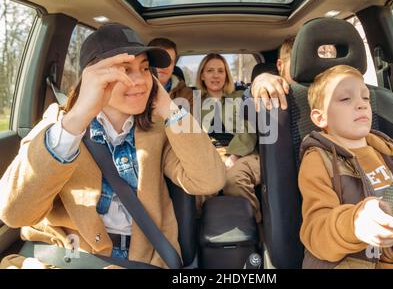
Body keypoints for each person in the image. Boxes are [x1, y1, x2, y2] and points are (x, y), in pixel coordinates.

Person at [0, 23, 225, 269]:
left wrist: (168, 107)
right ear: (93, 76)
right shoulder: (59, 125)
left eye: (145, 68)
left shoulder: (161, 129)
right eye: (125, 69)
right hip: (69, 258)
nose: (140, 80)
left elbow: (210, 180)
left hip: (144, 258)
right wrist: (77, 120)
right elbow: (13, 213)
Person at [298, 65, 393, 269]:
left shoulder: (391, 150)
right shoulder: (319, 159)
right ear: (320, 118)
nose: (362, 105)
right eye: (346, 99)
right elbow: (315, 230)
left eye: (365, 98)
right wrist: (355, 224)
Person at [196, 54, 262, 223]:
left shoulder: (241, 97)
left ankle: (257, 228)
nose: (216, 75)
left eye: (220, 71)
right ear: (202, 75)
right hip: (210, 154)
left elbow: (249, 129)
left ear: (226, 75)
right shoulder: (194, 102)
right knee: (201, 183)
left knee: (234, 179)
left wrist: (233, 156)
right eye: (210, 71)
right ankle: (202, 233)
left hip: (244, 153)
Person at [148, 38, 193, 110]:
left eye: (169, 62)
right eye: (158, 60)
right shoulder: (135, 89)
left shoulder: (187, 94)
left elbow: (188, 121)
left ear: (173, 67)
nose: (164, 66)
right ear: (147, 62)